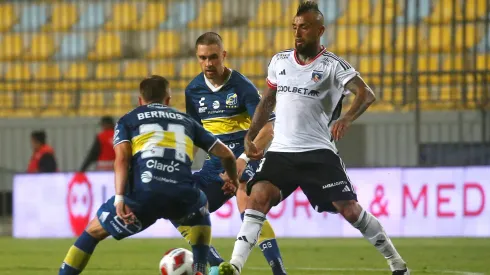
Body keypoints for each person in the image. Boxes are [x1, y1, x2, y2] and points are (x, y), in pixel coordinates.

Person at [218, 2, 410, 275]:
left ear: (320, 30)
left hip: (317, 152)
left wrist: (346, 118)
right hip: (281, 152)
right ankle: (235, 266)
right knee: (257, 196)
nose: (298, 33)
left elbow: (366, 94)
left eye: (304, 27)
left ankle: (397, 264)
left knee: (350, 210)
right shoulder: (279, 61)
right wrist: (251, 135)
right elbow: (267, 101)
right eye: (295, 27)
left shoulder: (333, 66)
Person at [58, 75, 239, 275]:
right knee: (200, 225)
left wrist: (120, 198)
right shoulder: (187, 121)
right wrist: (233, 180)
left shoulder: (128, 120)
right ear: (168, 100)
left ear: (140, 100)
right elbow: (227, 155)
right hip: (182, 195)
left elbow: (122, 159)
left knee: (92, 233)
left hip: (142, 196)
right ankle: (200, 268)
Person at [176, 32, 286, 275]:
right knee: (176, 203)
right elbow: (195, 135)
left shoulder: (242, 86)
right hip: (215, 165)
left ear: (223, 55)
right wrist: (181, 165)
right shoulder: (193, 90)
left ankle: (279, 271)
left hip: (245, 159)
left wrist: (243, 160)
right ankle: (217, 265)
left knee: (247, 201)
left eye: (213, 57)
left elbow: (269, 128)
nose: (208, 63)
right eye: (203, 58)